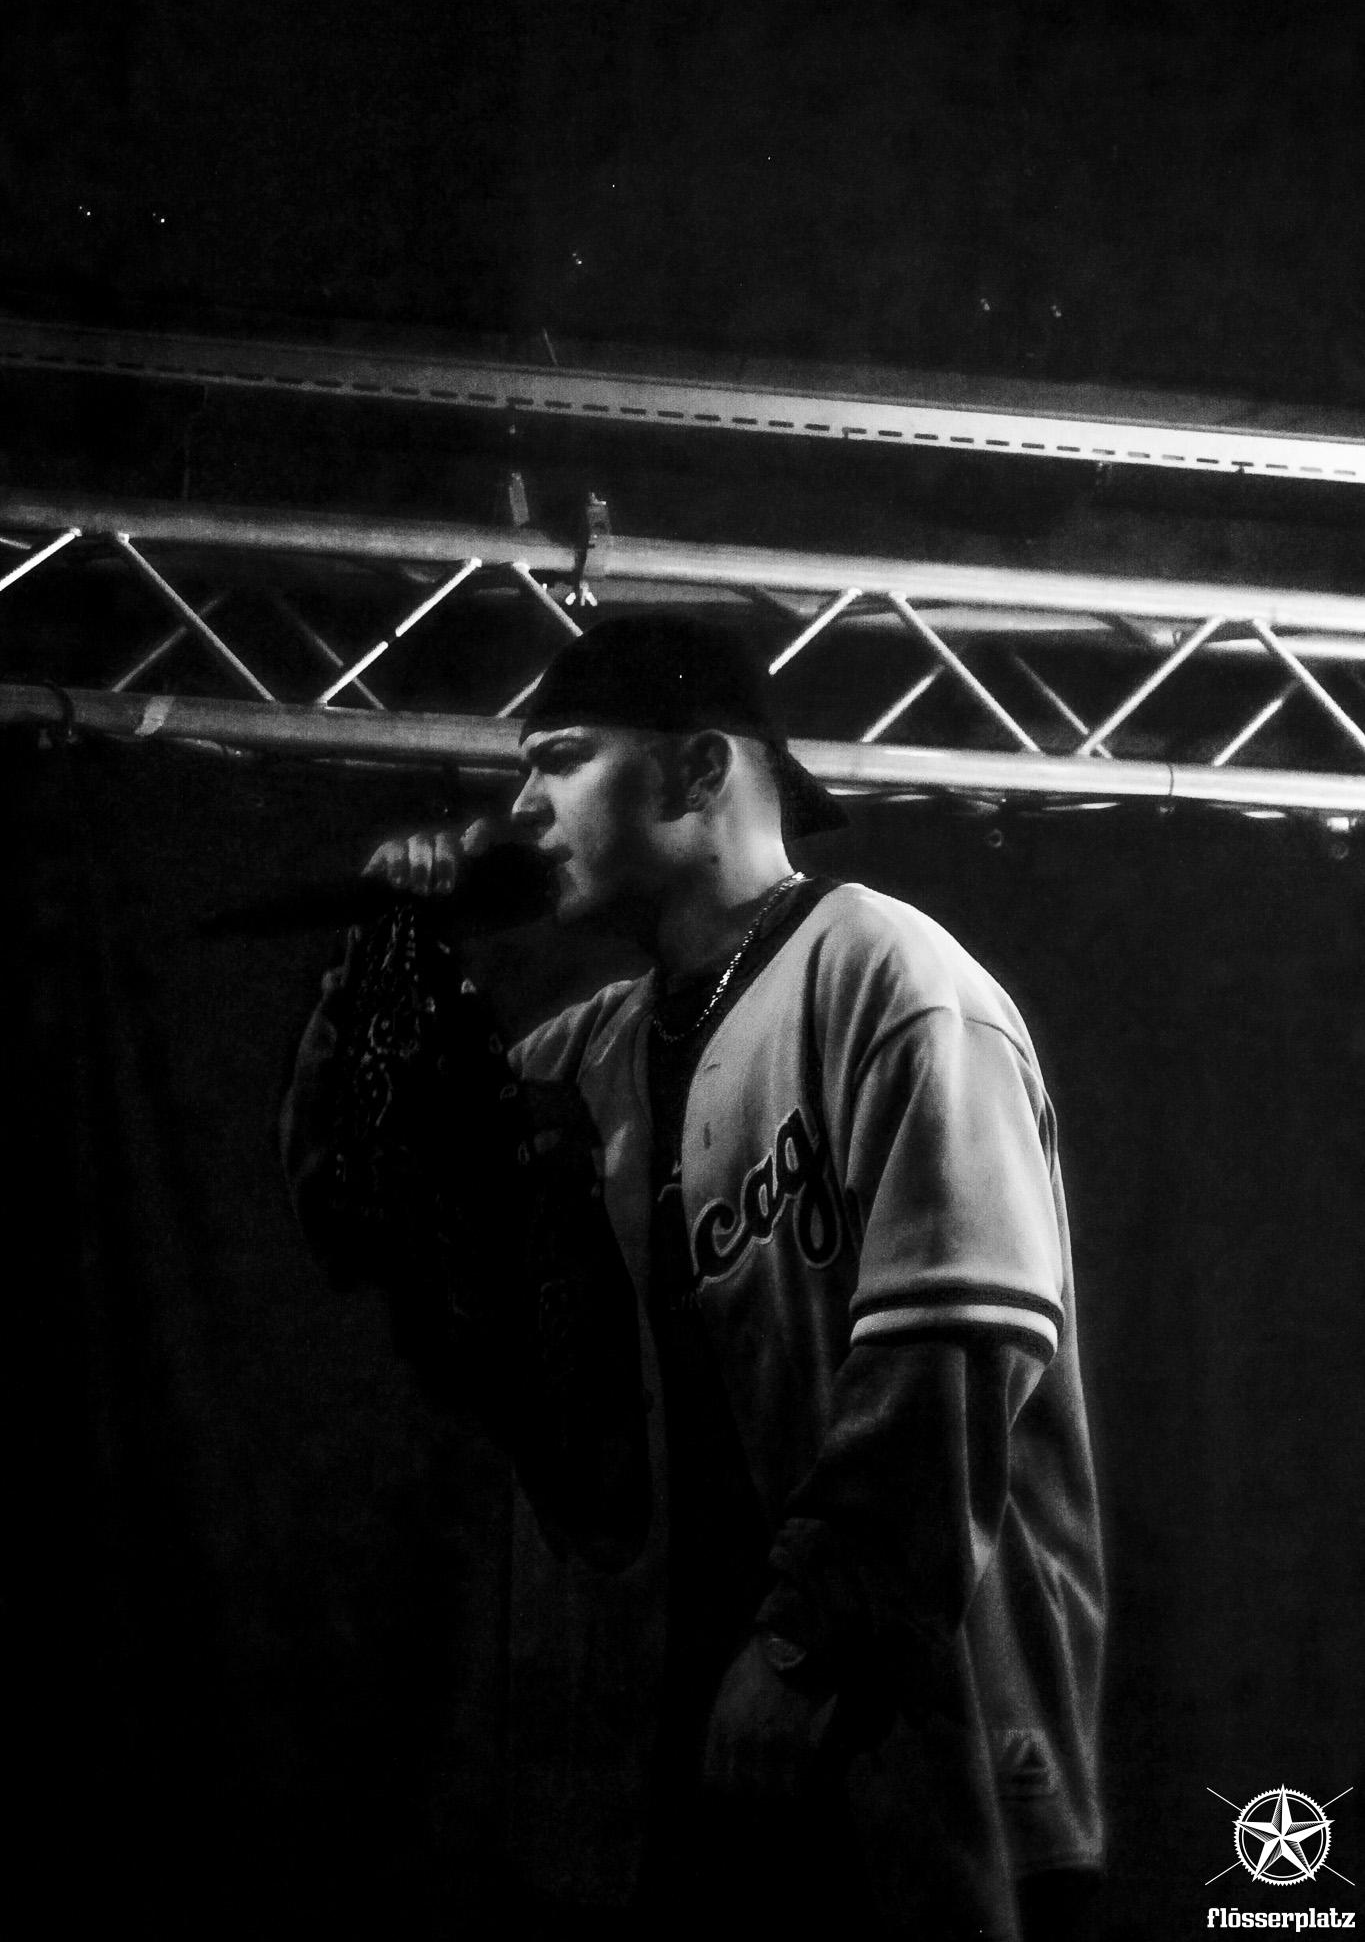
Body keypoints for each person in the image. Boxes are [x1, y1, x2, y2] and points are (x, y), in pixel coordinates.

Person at [280, 613, 1105, 1941]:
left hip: (888, 1751)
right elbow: (362, 1219)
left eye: (560, 758)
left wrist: (803, 1644)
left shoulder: (888, 979)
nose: (521, 805)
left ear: (698, 769)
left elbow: (948, 1358)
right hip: (659, 1772)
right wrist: (384, 959)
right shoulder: (578, 1056)